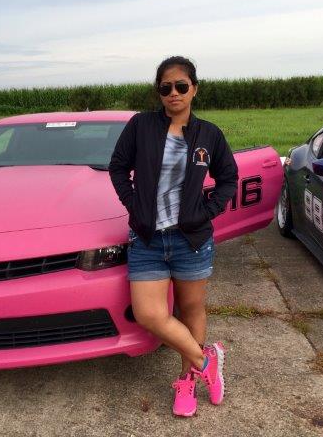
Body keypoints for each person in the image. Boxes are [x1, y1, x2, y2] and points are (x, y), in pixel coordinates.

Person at [109, 56, 238, 417]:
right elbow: (118, 167)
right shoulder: (141, 126)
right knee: (149, 313)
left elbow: (229, 178)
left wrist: (207, 211)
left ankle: (188, 382)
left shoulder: (209, 134)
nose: (174, 93)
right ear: (159, 92)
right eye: (166, 87)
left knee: (191, 308)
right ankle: (206, 358)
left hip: (191, 239)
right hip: (148, 238)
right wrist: (134, 205)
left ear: (194, 88)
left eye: (181, 85)